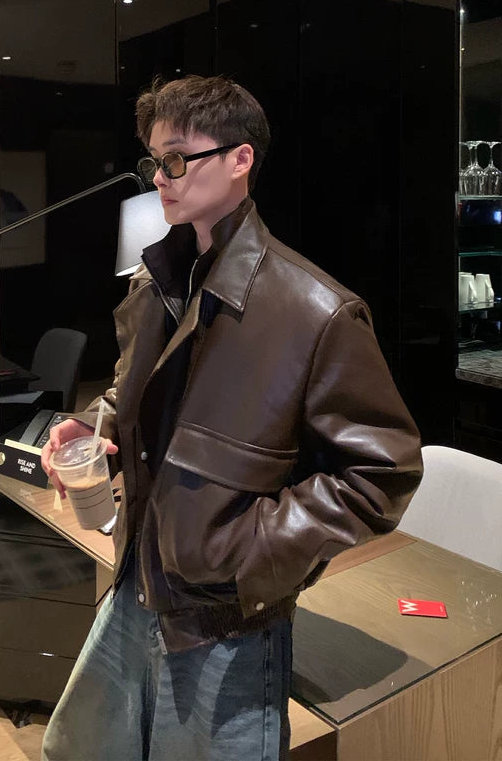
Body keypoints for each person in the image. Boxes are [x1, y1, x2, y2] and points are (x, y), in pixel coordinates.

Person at [40, 75, 423, 761]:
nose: (162, 177)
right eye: (155, 161)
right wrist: (96, 427)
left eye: (177, 158)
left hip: (227, 621)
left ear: (241, 159)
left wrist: (248, 556)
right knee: (75, 747)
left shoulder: (317, 312)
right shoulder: (156, 284)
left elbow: (381, 472)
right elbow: (142, 396)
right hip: (137, 577)